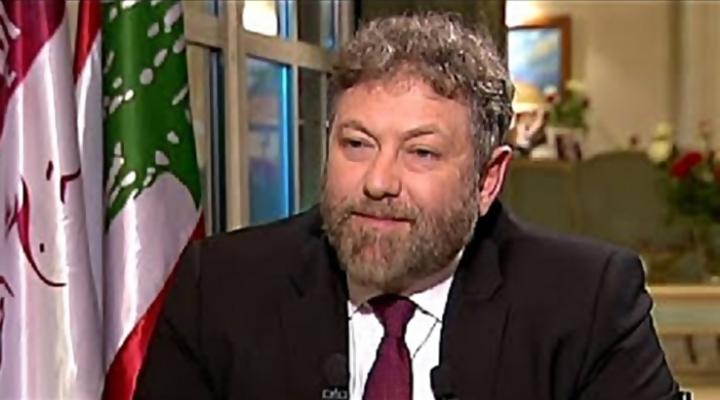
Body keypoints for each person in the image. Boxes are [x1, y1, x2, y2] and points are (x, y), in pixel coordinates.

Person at [135, 13, 679, 400]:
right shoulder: (222, 289)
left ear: (488, 179)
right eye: (356, 144)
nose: (378, 181)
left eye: (421, 152)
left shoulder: (585, 302)